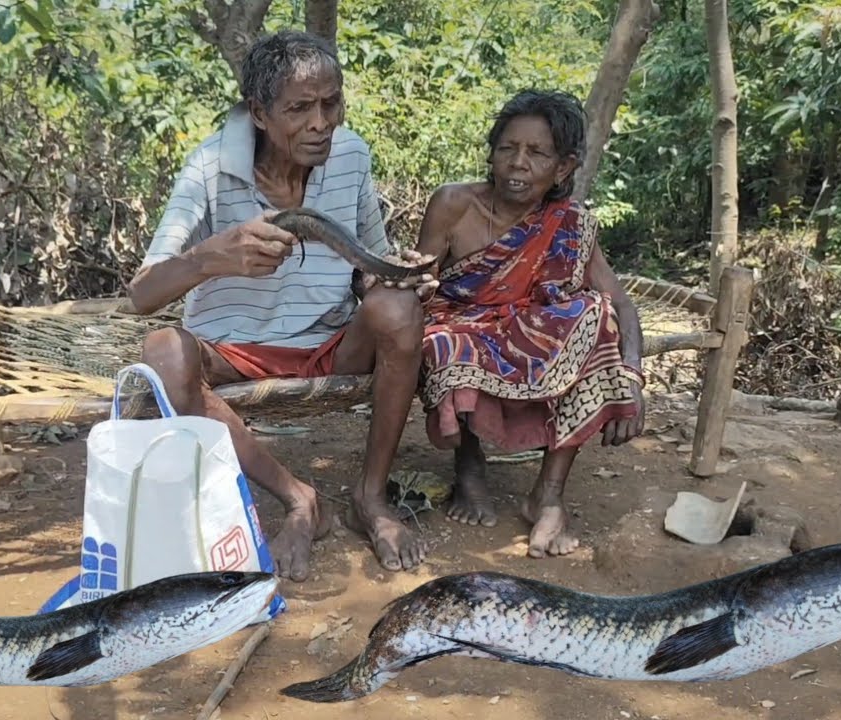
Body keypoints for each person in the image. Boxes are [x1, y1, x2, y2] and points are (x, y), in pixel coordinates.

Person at [124, 30, 438, 581]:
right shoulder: (210, 168)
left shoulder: (351, 155)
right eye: (299, 108)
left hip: (331, 341)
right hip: (232, 348)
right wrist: (208, 259)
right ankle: (299, 498)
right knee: (164, 355)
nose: (321, 123)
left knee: (399, 311)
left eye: (331, 102)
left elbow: (368, 263)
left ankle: (371, 498)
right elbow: (142, 294)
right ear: (260, 113)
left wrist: (395, 277)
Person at [411, 89, 646, 558]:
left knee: (596, 318)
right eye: (507, 149)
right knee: (446, 343)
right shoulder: (453, 204)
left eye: (536, 153)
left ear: (563, 167)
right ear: (492, 154)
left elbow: (621, 303)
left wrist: (633, 375)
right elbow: (420, 285)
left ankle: (549, 493)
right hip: (461, 326)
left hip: (530, 336)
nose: (517, 163)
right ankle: (469, 464)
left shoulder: (572, 222)